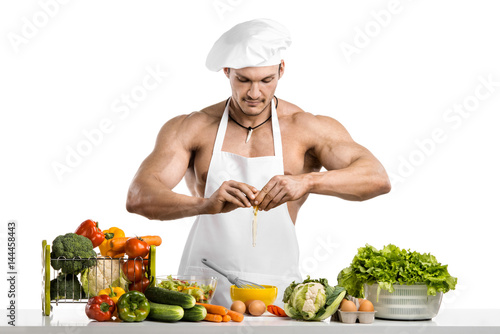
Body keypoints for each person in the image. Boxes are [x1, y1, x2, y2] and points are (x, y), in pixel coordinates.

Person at [126, 18, 391, 307]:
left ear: (281, 70)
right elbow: (139, 196)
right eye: (243, 80)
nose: (254, 93)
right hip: (201, 292)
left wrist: (307, 181)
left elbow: (376, 178)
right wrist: (205, 205)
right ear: (227, 71)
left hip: (277, 290)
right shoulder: (192, 127)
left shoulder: (307, 127)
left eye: (266, 80)